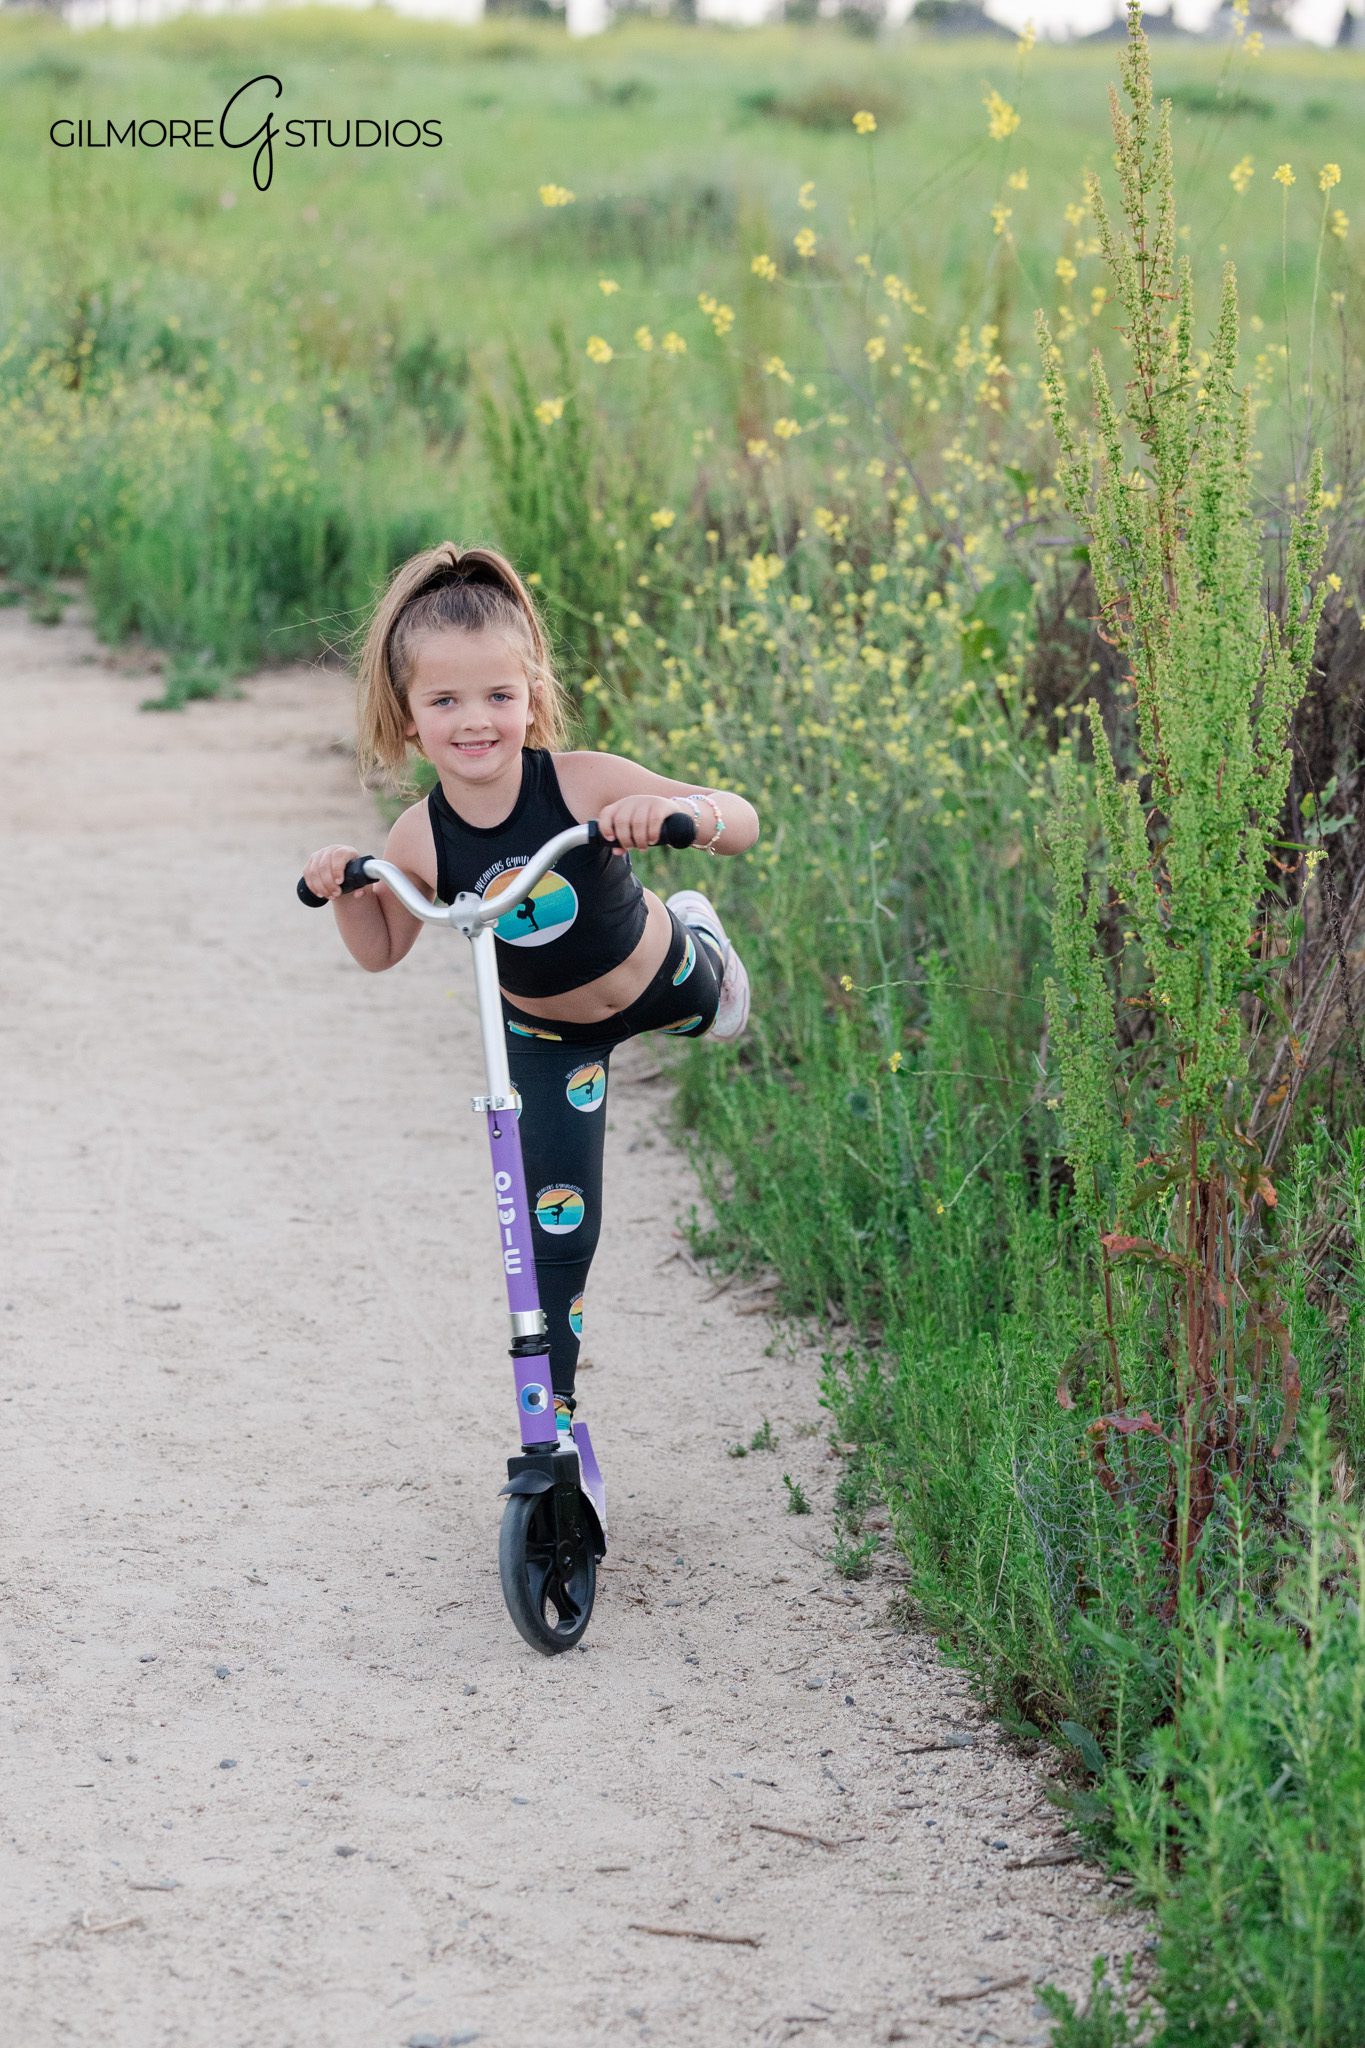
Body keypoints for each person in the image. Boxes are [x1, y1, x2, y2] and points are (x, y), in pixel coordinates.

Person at [302, 542, 758, 1441]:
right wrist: (347, 891)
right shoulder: (418, 837)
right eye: (444, 702)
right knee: (553, 1231)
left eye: (498, 697)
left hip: (659, 978)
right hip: (549, 1044)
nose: (475, 722)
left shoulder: (580, 780)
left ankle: (705, 940)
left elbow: (738, 818)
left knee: (708, 1002)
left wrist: (681, 818)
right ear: (407, 718)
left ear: (532, 697)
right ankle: (553, 1420)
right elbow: (382, 948)